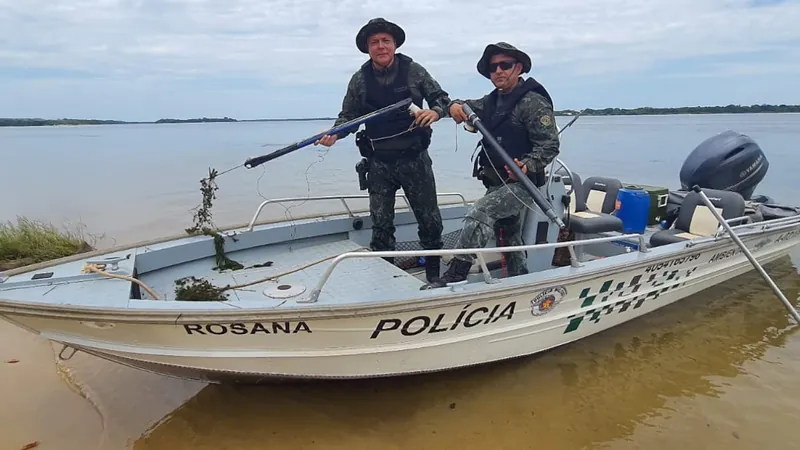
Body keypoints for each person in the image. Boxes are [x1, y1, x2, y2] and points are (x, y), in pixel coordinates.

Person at [314, 18, 453, 283]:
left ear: (394, 44)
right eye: (374, 42)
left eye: (385, 41)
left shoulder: (414, 71)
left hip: (415, 160)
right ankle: (384, 280)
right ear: (368, 48)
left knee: (430, 222)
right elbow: (348, 117)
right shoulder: (359, 80)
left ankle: (434, 276)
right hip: (379, 164)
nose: (381, 46)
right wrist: (334, 133)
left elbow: (442, 99)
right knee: (380, 226)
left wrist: (435, 112)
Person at [426, 42, 560, 288]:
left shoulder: (533, 103)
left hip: (523, 183)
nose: (498, 71)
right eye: (492, 67)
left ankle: (456, 273)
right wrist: (452, 105)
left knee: (481, 213)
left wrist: (528, 164)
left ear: (518, 68)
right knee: (509, 235)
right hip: (496, 181)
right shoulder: (490, 102)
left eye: (504, 65)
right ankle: (521, 280)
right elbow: (460, 105)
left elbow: (550, 145)